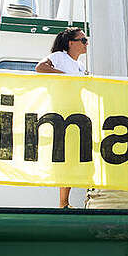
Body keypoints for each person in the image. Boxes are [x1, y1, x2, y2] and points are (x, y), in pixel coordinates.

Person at [36, 27, 88, 207]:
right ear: (71, 43)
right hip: (62, 111)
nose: (86, 43)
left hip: (77, 110)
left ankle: (65, 202)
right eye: (83, 40)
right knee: (65, 155)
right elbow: (40, 68)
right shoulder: (59, 57)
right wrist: (66, 77)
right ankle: (63, 202)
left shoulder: (81, 67)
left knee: (73, 156)